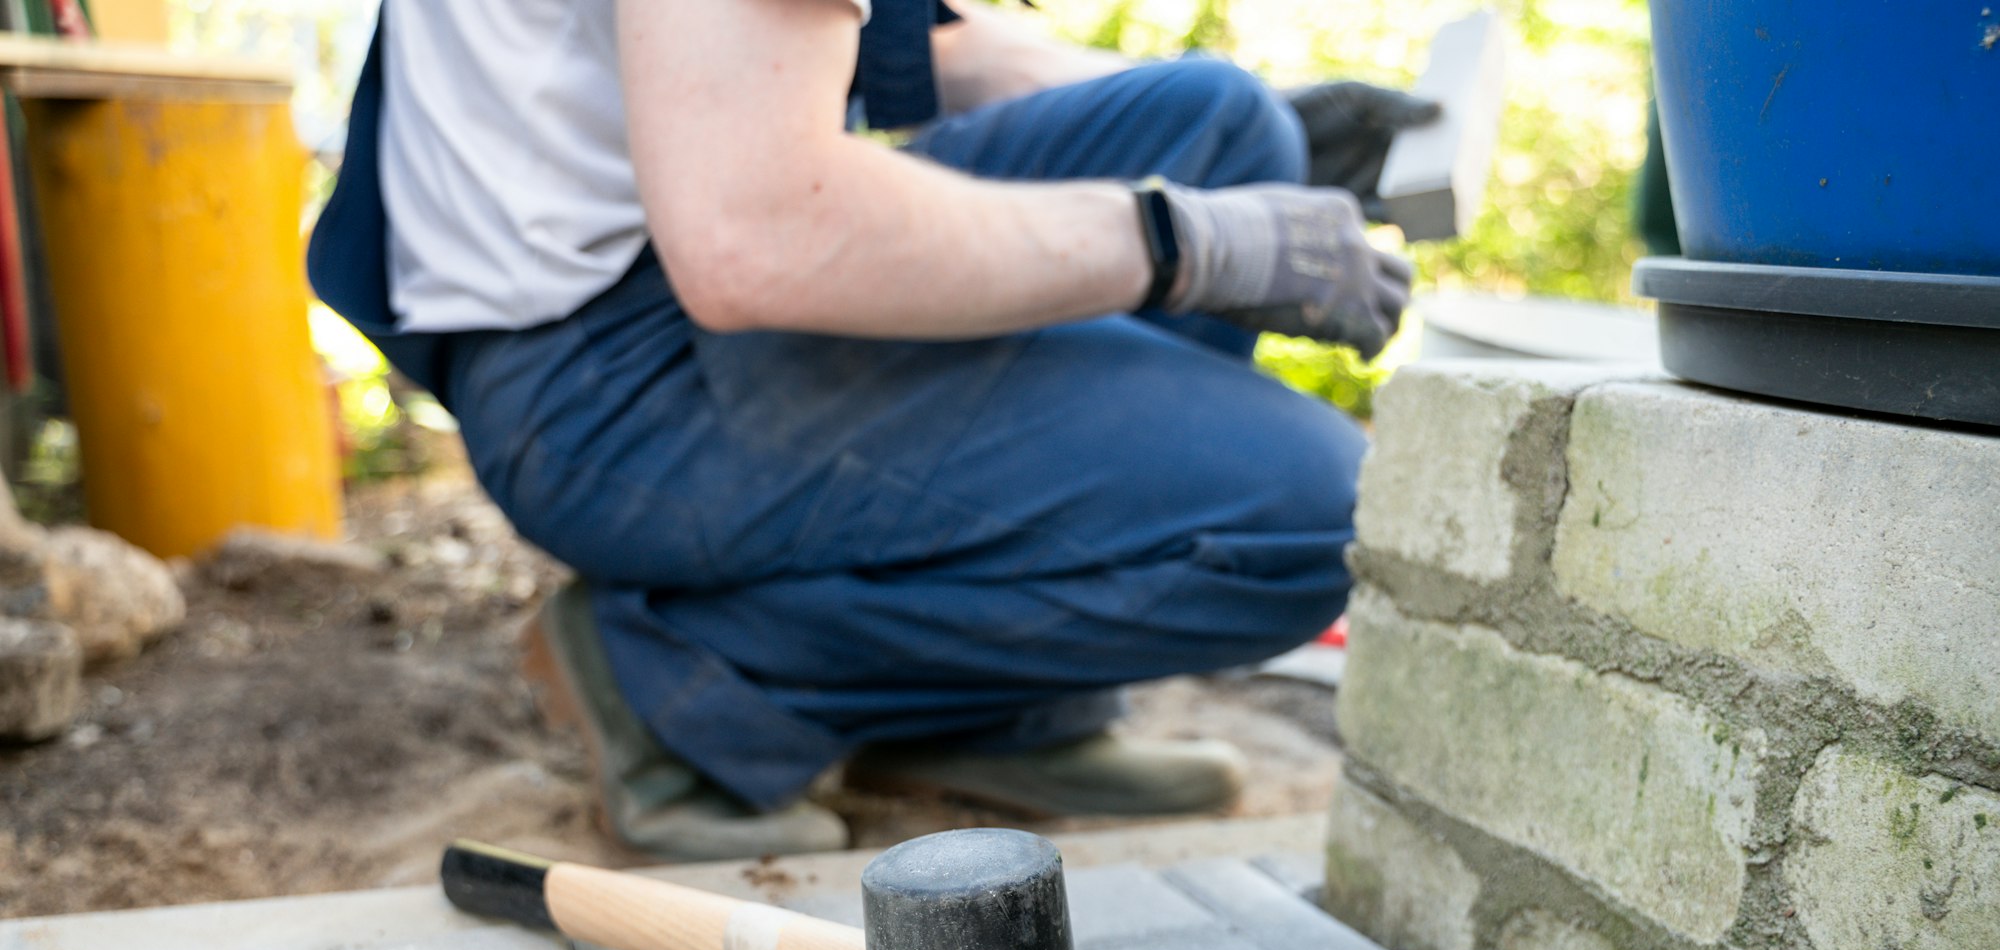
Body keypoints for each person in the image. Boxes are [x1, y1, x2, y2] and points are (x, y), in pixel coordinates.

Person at [309, 0, 1434, 860]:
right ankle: (694, 681)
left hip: (643, 291)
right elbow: (757, 233)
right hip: (604, 388)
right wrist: (1186, 243)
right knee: (1306, 522)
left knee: (1216, 127)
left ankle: (989, 710)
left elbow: (917, 51)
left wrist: (1275, 139)